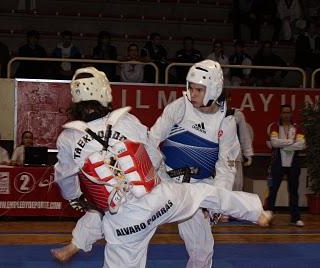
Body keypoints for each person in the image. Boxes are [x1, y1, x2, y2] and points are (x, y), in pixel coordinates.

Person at [51, 66, 272, 267]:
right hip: (159, 200)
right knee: (205, 193)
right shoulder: (127, 121)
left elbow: (65, 179)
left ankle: (75, 244)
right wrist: (158, 178)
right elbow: (153, 155)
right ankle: (257, 213)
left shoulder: (68, 138)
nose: (193, 94)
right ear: (105, 92)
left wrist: (75, 196)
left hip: (125, 222)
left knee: (103, 211)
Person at [149, 59, 243, 267]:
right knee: (130, 227)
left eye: (199, 90)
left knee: (202, 248)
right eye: (191, 88)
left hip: (199, 187)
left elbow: (225, 167)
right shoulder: (179, 107)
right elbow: (152, 141)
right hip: (166, 181)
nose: (192, 94)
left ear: (214, 89)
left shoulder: (225, 120)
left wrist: (218, 201)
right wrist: (157, 175)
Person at [268, 104, 305, 227]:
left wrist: (282, 143)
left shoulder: (297, 128)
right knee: (273, 190)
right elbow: (274, 143)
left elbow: (301, 145)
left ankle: (295, 218)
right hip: (278, 162)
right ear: (280, 113)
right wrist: (291, 142)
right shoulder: (274, 126)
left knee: (294, 191)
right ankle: (268, 216)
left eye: (288, 112)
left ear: (291, 114)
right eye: (284, 112)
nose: (286, 115)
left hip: (293, 162)